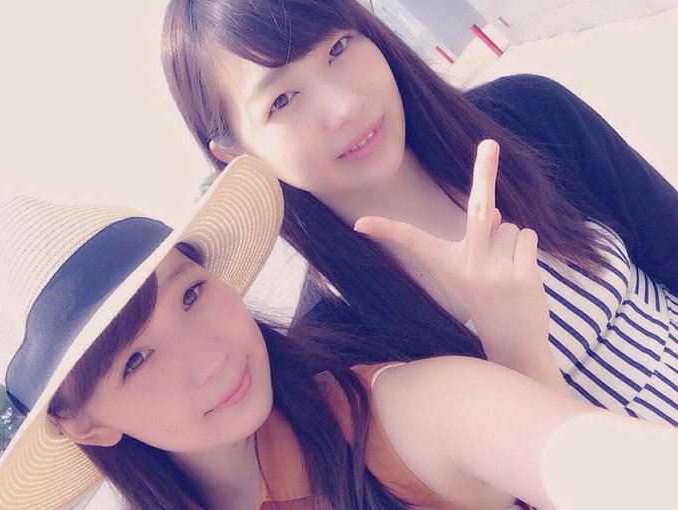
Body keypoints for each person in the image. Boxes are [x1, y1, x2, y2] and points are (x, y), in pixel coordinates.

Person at [0, 155, 676, 510]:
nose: (208, 357)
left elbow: (591, 463)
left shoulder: (384, 417)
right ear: (85, 424)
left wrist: (521, 355)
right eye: (136, 359)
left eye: (193, 293)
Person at [160, 0, 678, 425]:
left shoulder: (526, 115)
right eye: (282, 100)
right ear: (235, 154)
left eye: (338, 47)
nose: (343, 107)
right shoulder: (337, 349)